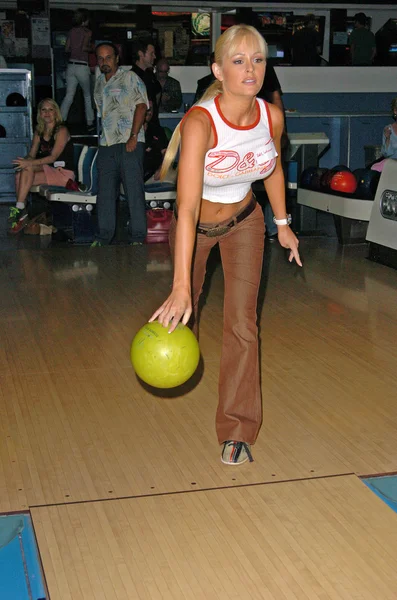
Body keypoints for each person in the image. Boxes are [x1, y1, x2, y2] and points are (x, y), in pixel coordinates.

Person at [150, 24, 302, 465]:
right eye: (238, 60)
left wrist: (283, 223)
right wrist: (181, 284)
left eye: (257, 59)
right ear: (218, 69)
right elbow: (188, 210)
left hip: (244, 221)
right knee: (184, 308)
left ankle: (236, 430)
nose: (250, 68)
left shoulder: (271, 116)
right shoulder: (200, 123)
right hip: (195, 227)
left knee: (242, 323)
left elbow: (271, 167)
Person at [92, 42, 149, 246]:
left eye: (108, 57)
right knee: (105, 193)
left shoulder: (130, 77)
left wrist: (134, 136)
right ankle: (104, 236)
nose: (104, 62)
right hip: (107, 144)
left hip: (129, 142)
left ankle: (137, 238)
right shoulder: (98, 82)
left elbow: (142, 106)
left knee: (133, 192)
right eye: (100, 58)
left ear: (117, 58)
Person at [9, 98, 74, 234]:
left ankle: (20, 210)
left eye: (50, 110)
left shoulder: (61, 130)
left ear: (56, 112)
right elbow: (32, 155)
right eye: (44, 110)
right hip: (49, 170)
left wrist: (29, 163)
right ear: (39, 113)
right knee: (20, 173)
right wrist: (24, 161)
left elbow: (53, 157)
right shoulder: (39, 131)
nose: (47, 113)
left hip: (63, 174)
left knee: (28, 168)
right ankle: (21, 209)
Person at [60, 9, 95, 132]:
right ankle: (90, 123)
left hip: (71, 65)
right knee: (87, 95)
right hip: (82, 66)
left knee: (69, 95)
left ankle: (60, 120)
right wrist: (92, 48)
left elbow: (66, 49)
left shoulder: (71, 31)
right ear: (85, 21)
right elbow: (85, 47)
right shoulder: (87, 32)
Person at [132, 39, 161, 123]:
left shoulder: (150, 75)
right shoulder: (132, 76)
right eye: (151, 53)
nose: (154, 56)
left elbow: (157, 92)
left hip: (152, 123)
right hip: (141, 124)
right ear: (141, 54)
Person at [143, 101, 169, 181]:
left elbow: (166, 152)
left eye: (151, 109)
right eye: (147, 108)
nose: (149, 112)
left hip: (155, 173)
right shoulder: (131, 131)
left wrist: (162, 168)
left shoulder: (157, 129)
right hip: (135, 173)